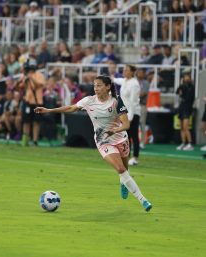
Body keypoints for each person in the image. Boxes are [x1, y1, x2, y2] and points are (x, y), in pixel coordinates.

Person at [35, 75, 152, 212]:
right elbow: (71, 108)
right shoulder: (89, 101)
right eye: (95, 85)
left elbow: (126, 125)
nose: (96, 88)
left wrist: (114, 131)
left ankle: (123, 182)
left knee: (125, 170)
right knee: (120, 169)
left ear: (108, 87)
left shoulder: (116, 101)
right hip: (103, 141)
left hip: (120, 138)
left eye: (99, 85)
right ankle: (143, 200)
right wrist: (49, 110)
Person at [113, 65, 141, 166]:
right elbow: (118, 80)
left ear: (132, 72)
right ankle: (126, 156)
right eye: (124, 70)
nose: (124, 71)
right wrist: (110, 79)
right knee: (126, 136)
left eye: (126, 70)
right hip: (125, 113)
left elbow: (133, 102)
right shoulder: (125, 80)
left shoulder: (134, 84)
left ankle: (135, 158)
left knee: (134, 136)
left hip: (133, 113)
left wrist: (130, 118)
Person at [176, 72, 195, 151]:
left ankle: (190, 143)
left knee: (186, 127)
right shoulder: (182, 86)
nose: (186, 78)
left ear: (190, 78)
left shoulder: (191, 87)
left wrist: (182, 91)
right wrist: (181, 87)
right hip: (182, 107)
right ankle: (183, 142)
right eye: (185, 77)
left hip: (187, 108)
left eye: (187, 77)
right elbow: (177, 92)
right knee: (181, 127)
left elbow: (188, 97)